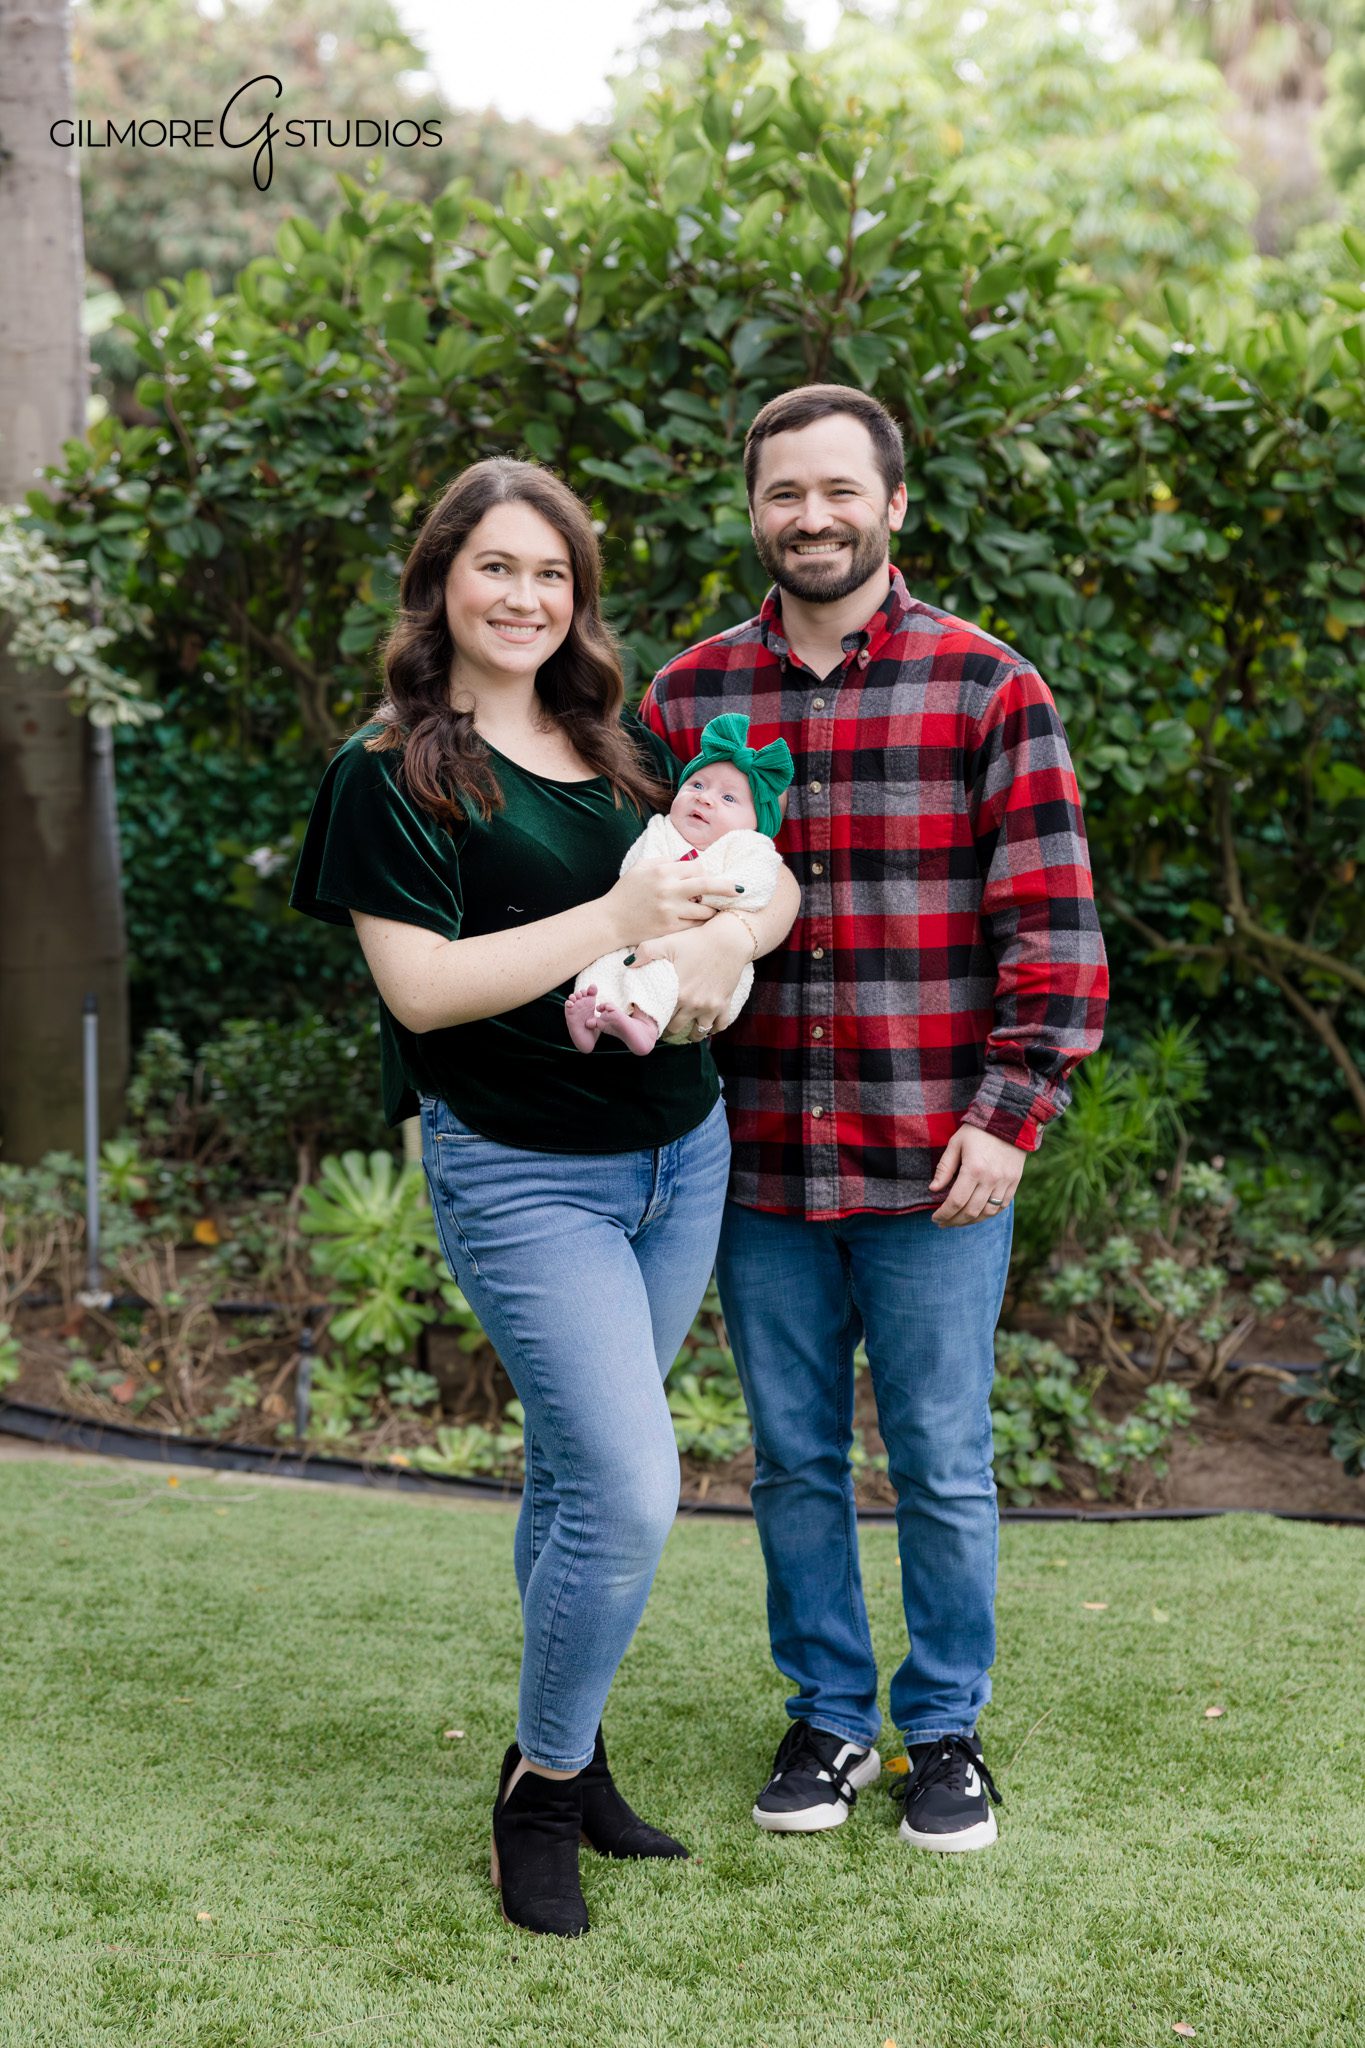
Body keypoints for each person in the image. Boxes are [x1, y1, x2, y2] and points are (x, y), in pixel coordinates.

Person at [289, 456, 800, 1936]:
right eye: (496, 568)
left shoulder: (620, 742)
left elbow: (753, 873)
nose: (525, 598)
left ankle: (569, 1757)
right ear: (441, 578)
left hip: (676, 1156)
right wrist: (627, 917)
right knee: (636, 1488)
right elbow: (427, 991)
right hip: (521, 1177)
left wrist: (727, 943)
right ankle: (540, 1785)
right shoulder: (387, 769)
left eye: (552, 574)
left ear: (578, 597)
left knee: (582, 1481)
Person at [636, 385, 1108, 1852]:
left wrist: (1009, 1115)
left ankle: (945, 1730)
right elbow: (641, 908)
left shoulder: (987, 687)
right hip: (755, 1156)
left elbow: (1052, 928)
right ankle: (828, 1716)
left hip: (932, 1157)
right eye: (786, 493)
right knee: (788, 1457)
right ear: (755, 508)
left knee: (945, 1459)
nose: (813, 516)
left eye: (841, 490)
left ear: (894, 505)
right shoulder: (682, 699)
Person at [566, 713, 795, 1056]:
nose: (705, 798)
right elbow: (636, 865)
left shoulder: (748, 847)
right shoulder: (662, 828)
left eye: (728, 799)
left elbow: (759, 884)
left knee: (660, 967)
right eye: (697, 785)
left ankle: (644, 1025)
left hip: (704, 961)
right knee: (605, 962)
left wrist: (712, 890)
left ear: (755, 826)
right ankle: (593, 1018)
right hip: (642, 931)